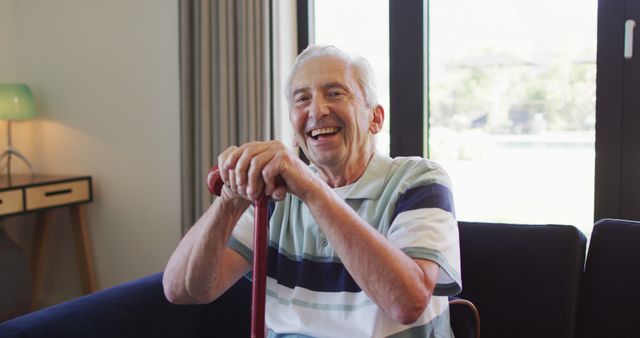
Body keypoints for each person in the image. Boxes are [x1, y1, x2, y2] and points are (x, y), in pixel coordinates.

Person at [163, 45, 461, 337]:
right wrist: (229, 200)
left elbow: (406, 303)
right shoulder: (275, 198)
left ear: (376, 118)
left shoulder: (419, 180)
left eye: (335, 93)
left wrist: (312, 190)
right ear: (294, 129)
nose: (317, 110)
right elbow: (183, 290)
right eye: (301, 99)